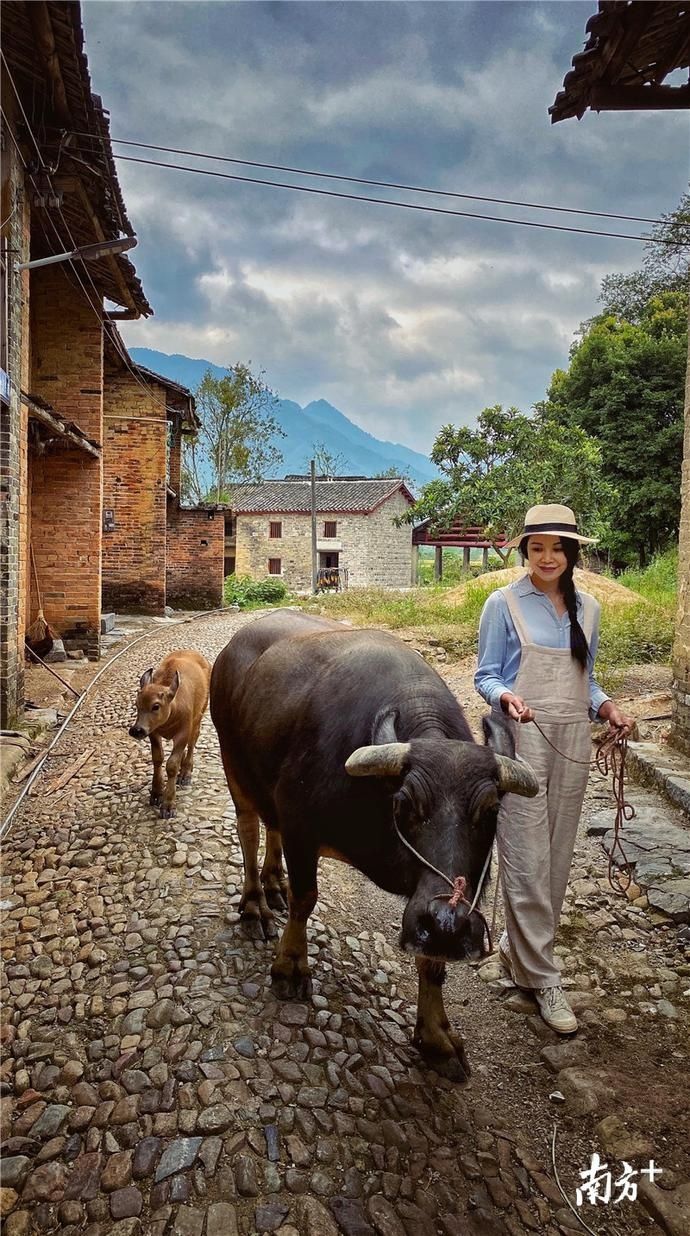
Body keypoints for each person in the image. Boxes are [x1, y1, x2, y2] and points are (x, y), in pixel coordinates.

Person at [475, 503, 634, 1034]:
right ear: (525, 551)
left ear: (572, 553)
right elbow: (486, 675)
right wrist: (507, 699)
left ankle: (521, 956)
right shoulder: (503, 604)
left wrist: (607, 707)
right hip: (522, 738)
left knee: (557, 857)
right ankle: (543, 977)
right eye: (537, 547)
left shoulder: (588, 608)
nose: (548, 557)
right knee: (524, 853)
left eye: (558, 547)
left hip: (571, 742)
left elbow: (585, 681)